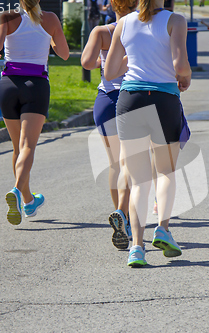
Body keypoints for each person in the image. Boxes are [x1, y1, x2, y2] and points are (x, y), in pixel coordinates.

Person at [105, 0, 191, 267]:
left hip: (130, 98)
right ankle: (162, 229)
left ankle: (136, 248)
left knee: (138, 179)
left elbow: (109, 72)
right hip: (163, 98)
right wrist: (185, 77)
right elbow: (180, 65)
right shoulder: (175, 21)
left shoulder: (123, 23)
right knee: (165, 172)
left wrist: (136, 59)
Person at [0, 0, 69, 225]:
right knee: (27, 147)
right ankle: (16, 190)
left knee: (17, 148)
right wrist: (50, 38)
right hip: (36, 85)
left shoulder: (5, 17)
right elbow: (63, 54)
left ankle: (28, 200)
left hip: (8, 85)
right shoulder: (50, 19)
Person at [81, 0, 137, 249]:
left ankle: (119, 213)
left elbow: (85, 62)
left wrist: (104, 63)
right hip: (134, 97)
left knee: (115, 163)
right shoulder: (139, 28)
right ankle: (127, 216)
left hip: (106, 99)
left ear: (111, 6)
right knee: (134, 164)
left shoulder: (101, 32)